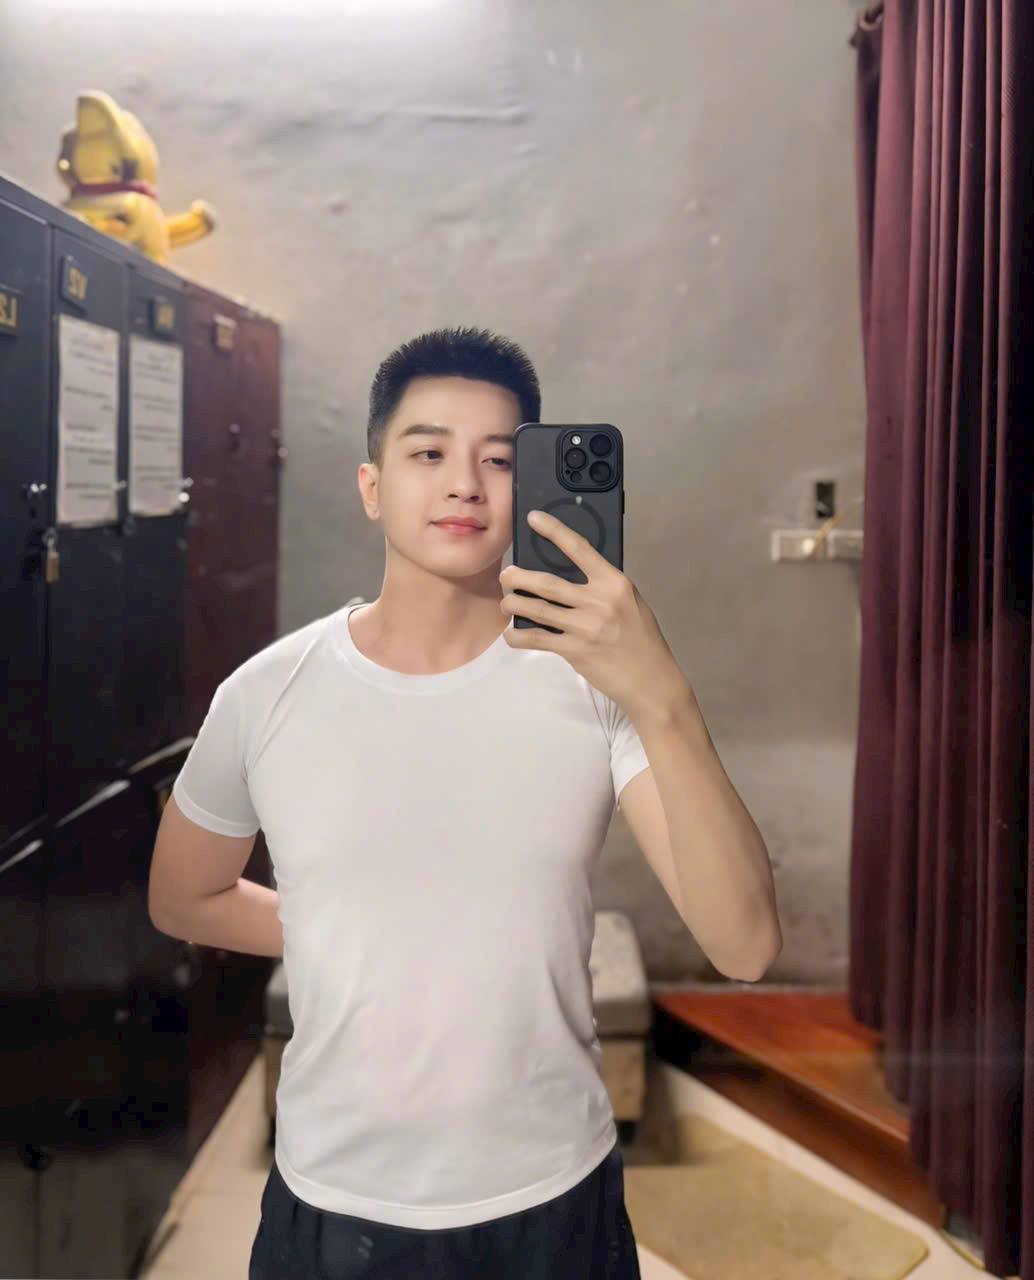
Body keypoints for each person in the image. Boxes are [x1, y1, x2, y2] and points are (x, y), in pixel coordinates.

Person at [151, 326, 647, 1277]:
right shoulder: (266, 692)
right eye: (427, 454)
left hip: (554, 1191)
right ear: (372, 486)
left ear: (531, 488)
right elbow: (185, 896)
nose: (464, 485)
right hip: (335, 1198)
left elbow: (743, 940)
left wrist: (655, 683)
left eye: (498, 460)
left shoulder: (594, 682)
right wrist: (358, 925)